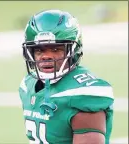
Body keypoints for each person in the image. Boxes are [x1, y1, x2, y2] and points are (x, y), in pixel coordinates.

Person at [19, 9, 114, 144]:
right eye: (39, 50)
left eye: (56, 49)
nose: (46, 56)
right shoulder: (27, 85)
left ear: (73, 51)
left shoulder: (83, 93)